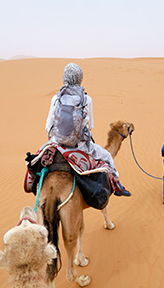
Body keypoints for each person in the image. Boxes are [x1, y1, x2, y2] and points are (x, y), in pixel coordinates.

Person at [45, 63, 131, 196]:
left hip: (56, 143)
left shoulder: (56, 98)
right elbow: (90, 126)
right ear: (80, 78)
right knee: (107, 156)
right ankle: (117, 185)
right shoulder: (86, 99)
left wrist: (57, 138)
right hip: (79, 146)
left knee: (36, 160)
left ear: (65, 78)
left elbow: (48, 126)